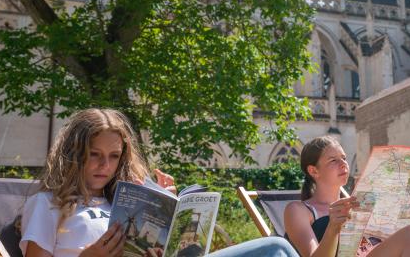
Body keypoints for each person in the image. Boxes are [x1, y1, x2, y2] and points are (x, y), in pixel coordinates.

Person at [20, 108, 298, 257]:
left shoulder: (120, 199)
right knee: (275, 249)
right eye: (94, 155)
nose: (105, 165)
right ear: (74, 154)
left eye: (114, 156)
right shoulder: (48, 204)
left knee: (277, 249)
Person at [284, 136, 410, 257]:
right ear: (313, 170)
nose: (343, 164)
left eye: (344, 158)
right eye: (333, 160)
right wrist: (333, 228)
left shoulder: (363, 201)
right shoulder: (299, 210)